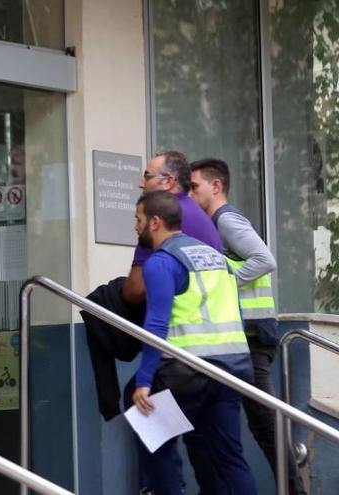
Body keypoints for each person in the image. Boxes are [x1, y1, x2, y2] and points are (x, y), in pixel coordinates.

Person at [190, 158, 307, 495]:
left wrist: (226, 283)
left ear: (216, 186)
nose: (191, 193)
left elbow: (265, 259)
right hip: (243, 336)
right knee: (249, 423)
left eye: (195, 186)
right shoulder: (215, 223)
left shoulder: (225, 220)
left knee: (264, 423)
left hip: (254, 337)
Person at [131, 190, 257, 495]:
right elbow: (235, 310)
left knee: (148, 427)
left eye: (138, 220)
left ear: (155, 222)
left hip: (189, 370)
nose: (135, 227)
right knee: (229, 456)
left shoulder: (161, 262)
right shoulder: (216, 256)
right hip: (234, 367)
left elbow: (156, 324)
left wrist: (145, 380)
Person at [84, 150, 223, 421]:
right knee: (212, 449)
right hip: (222, 352)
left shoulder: (160, 220)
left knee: (98, 302)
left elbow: (136, 292)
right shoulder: (197, 214)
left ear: (168, 181)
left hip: (184, 346)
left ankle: (110, 408)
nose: (140, 183)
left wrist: (145, 380)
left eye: (146, 176)